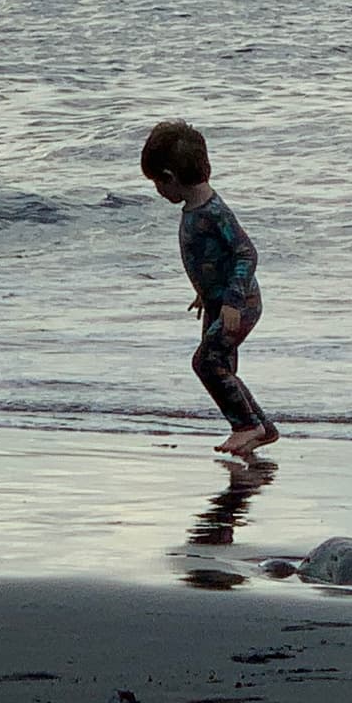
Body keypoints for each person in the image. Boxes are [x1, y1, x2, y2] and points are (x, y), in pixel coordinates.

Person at [140, 117, 274, 454]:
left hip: (239, 303)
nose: (158, 191)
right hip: (217, 301)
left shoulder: (214, 212)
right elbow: (212, 257)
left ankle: (245, 425)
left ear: (170, 178)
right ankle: (261, 428)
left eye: (158, 183)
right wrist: (204, 291)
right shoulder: (194, 209)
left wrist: (231, 300)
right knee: (222, 367)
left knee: (206, 363)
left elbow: (246, 252)